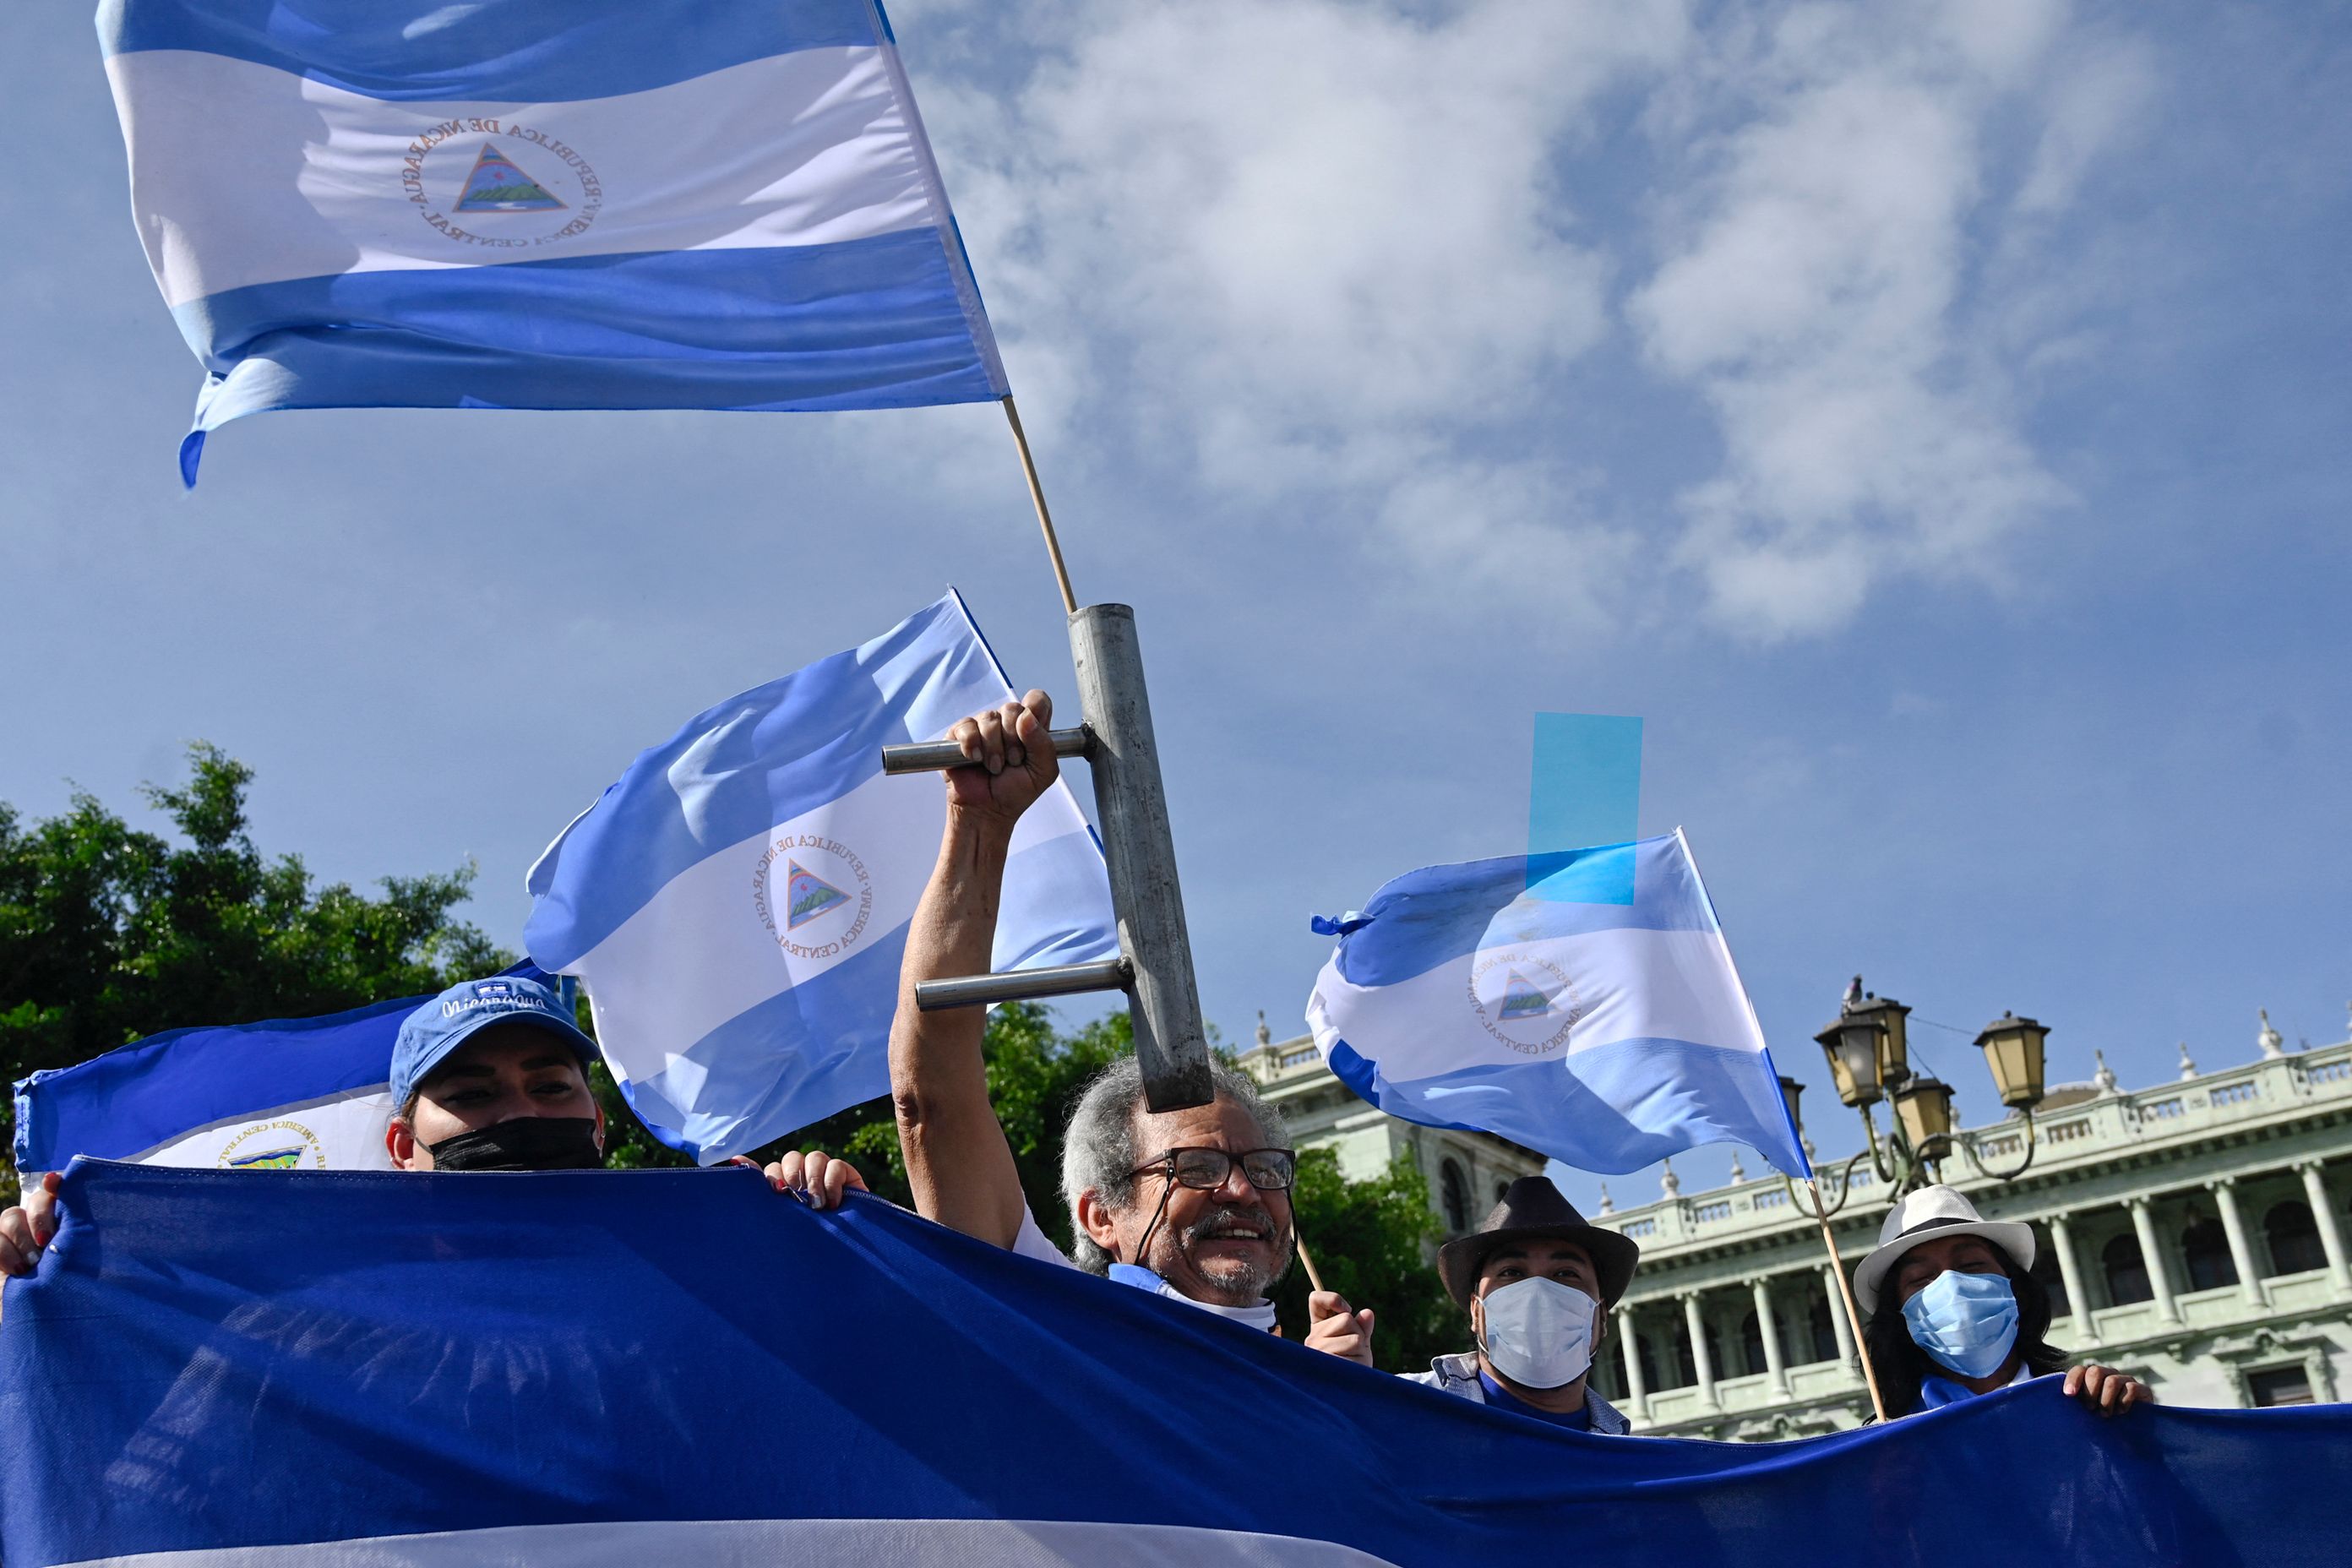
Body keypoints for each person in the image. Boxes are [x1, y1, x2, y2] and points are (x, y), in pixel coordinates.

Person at [885, 689, 1372, 1360]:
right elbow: (932, 1099)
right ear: (1100, 1216)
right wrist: (979, 824)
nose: (1242, 1190)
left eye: (1262, 1167)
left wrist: (1355, 1413)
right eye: (1195, 1166)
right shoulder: (1052, 1322)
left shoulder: (1343, 1384)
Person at [1, 974, 861, 1278]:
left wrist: (831, 1236)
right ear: (404, 1147)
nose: (521, 1112)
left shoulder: (714, 1266)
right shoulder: (319, 1323)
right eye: (475, 1094)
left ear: (598, 1124)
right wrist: (30, 1290)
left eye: (551, 1084)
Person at [1854, 1184, 2151, 1419]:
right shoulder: (1892, 1451)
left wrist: (2142, 1428)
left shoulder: (2083, 1407)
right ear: (1900, 1318)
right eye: (1921, 1279)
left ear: (2017, 1291)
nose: (1952, 1287)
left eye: (1971, 1266)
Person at [1407, 1176, 1641, 1433]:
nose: (1538, 1292)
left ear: (1602, 1317)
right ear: (1476, 1310)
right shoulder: (1400, 1413)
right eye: (1512, 1273)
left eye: (1565, 1274)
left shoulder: (1638, 1465)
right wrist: (1357, 1397)